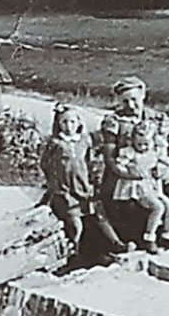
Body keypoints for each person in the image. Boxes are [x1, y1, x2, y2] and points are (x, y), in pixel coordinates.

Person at [100, 76, 169, 255]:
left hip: (154, 169)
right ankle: (137, 241)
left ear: (143, 96)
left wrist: (163, 168)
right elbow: (109, 158)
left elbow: (162, 149)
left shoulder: (155, 118)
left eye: (134, 100)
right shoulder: (114, 121)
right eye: (125, 101)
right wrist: (125, 173)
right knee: (121, 202)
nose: (130, 105)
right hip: (126, 171)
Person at [40, 103, 129, 262]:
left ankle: (116, 243)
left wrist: (94, 179)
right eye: (64, 122)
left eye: (73, 122)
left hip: (83, 187)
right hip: (66, 190)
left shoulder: (84, 141)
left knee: (99, 214)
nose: (69, 126)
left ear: (79, 123)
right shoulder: (55, 143)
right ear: (58, 124)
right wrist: (54, 183)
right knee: (75, 222)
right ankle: (75, 250)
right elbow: (46, 164)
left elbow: (91, 162)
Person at [113, 121, 169, 253]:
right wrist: (130, 170)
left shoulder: (154, 152)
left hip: (153, 187)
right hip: (137, 189)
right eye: (139, 144)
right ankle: (149, 238)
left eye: (146, 144)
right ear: (132, 141)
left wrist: (162, 171)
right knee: (158, 207)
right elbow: (119, 166)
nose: (143, 147)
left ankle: (167, 235)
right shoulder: (130, 153)